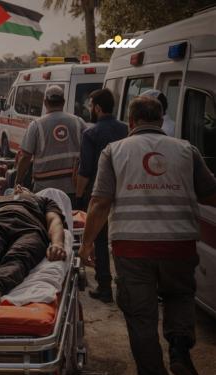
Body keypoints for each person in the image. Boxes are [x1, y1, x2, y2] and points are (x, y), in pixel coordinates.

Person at [79, 96, 216, 375]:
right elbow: (210, 194)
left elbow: (100, 202)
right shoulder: (187, 150)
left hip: (132, 248)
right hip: (179, 246)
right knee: (179, 296)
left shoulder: (114, 151)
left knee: (141, 317)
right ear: (161, 119)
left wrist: (86, 244)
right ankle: (179, 346)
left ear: (131, 121)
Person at [0, 185, 67, 304]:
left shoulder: (43, 201)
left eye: (23, 187)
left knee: (20, 255)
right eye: (15, 188)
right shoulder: (0, 199)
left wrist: (57, 243)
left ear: (31, 192)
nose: (18, 187)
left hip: (29, 227)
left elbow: (54, 220)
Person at [74, 88, 128, 303]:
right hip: (124, 191)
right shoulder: (126, 129)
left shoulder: (91, 133)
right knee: (122, 239)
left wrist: (79, 196)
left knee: (99, 238)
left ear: (97, 108)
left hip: (99, 193)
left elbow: (85, 170)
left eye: (90, 105)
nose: (89, 109)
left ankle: (104, 286)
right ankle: (125, 284)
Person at [16, 85, 86, 201]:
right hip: (72, 188)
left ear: (45, 102)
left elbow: (25, 157)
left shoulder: (36, 125)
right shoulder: (79, 122)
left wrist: (18, 180)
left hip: (44, 190)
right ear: (63, 102)